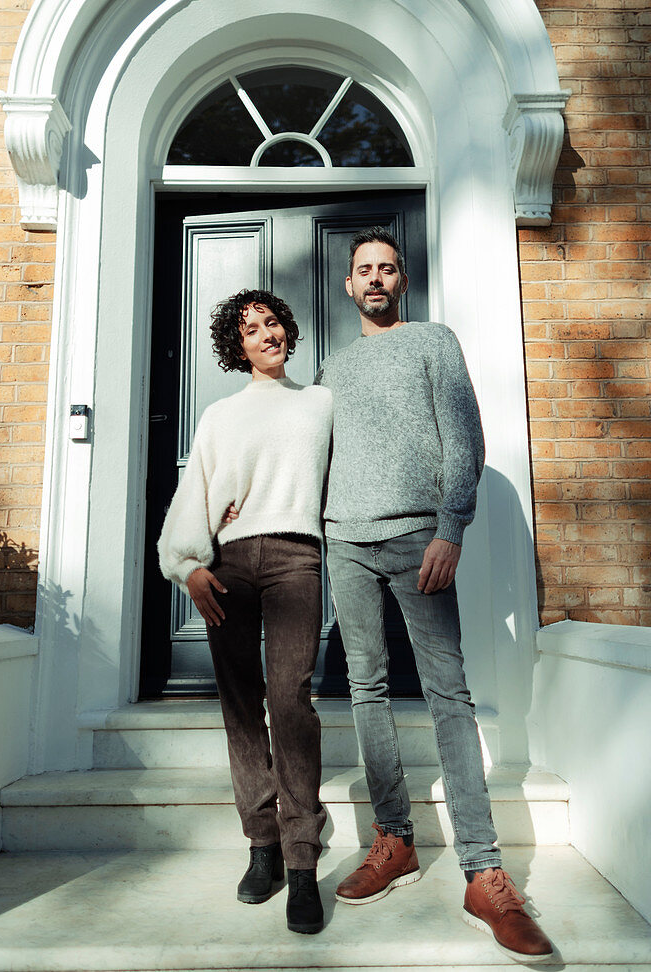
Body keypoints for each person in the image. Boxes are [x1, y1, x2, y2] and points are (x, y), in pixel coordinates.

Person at [314, 226, 554, 963]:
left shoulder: (434, 342)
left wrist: (451, 528)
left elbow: (464, 439)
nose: (377, 278)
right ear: (349, 286)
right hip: (344, 541)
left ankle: (484, 872)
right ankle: (395, 841)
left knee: (448, 694)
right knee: (366, 688)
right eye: (364, 270)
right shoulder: (333, 366)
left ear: (402, 281)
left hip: (420, 537)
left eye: (388, 267)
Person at [157, 289, 332, 935]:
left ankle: (302, 860)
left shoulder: (321, 403)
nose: (266, 333)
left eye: (272, 322)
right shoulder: (220, 415)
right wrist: (188, 565)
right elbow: (195, 492)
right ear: (237, 347)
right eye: (251, 329)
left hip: (296, 558)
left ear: (288, 329)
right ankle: (262, 848)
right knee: (240, 702)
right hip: (228, 565)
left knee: (289, 699)